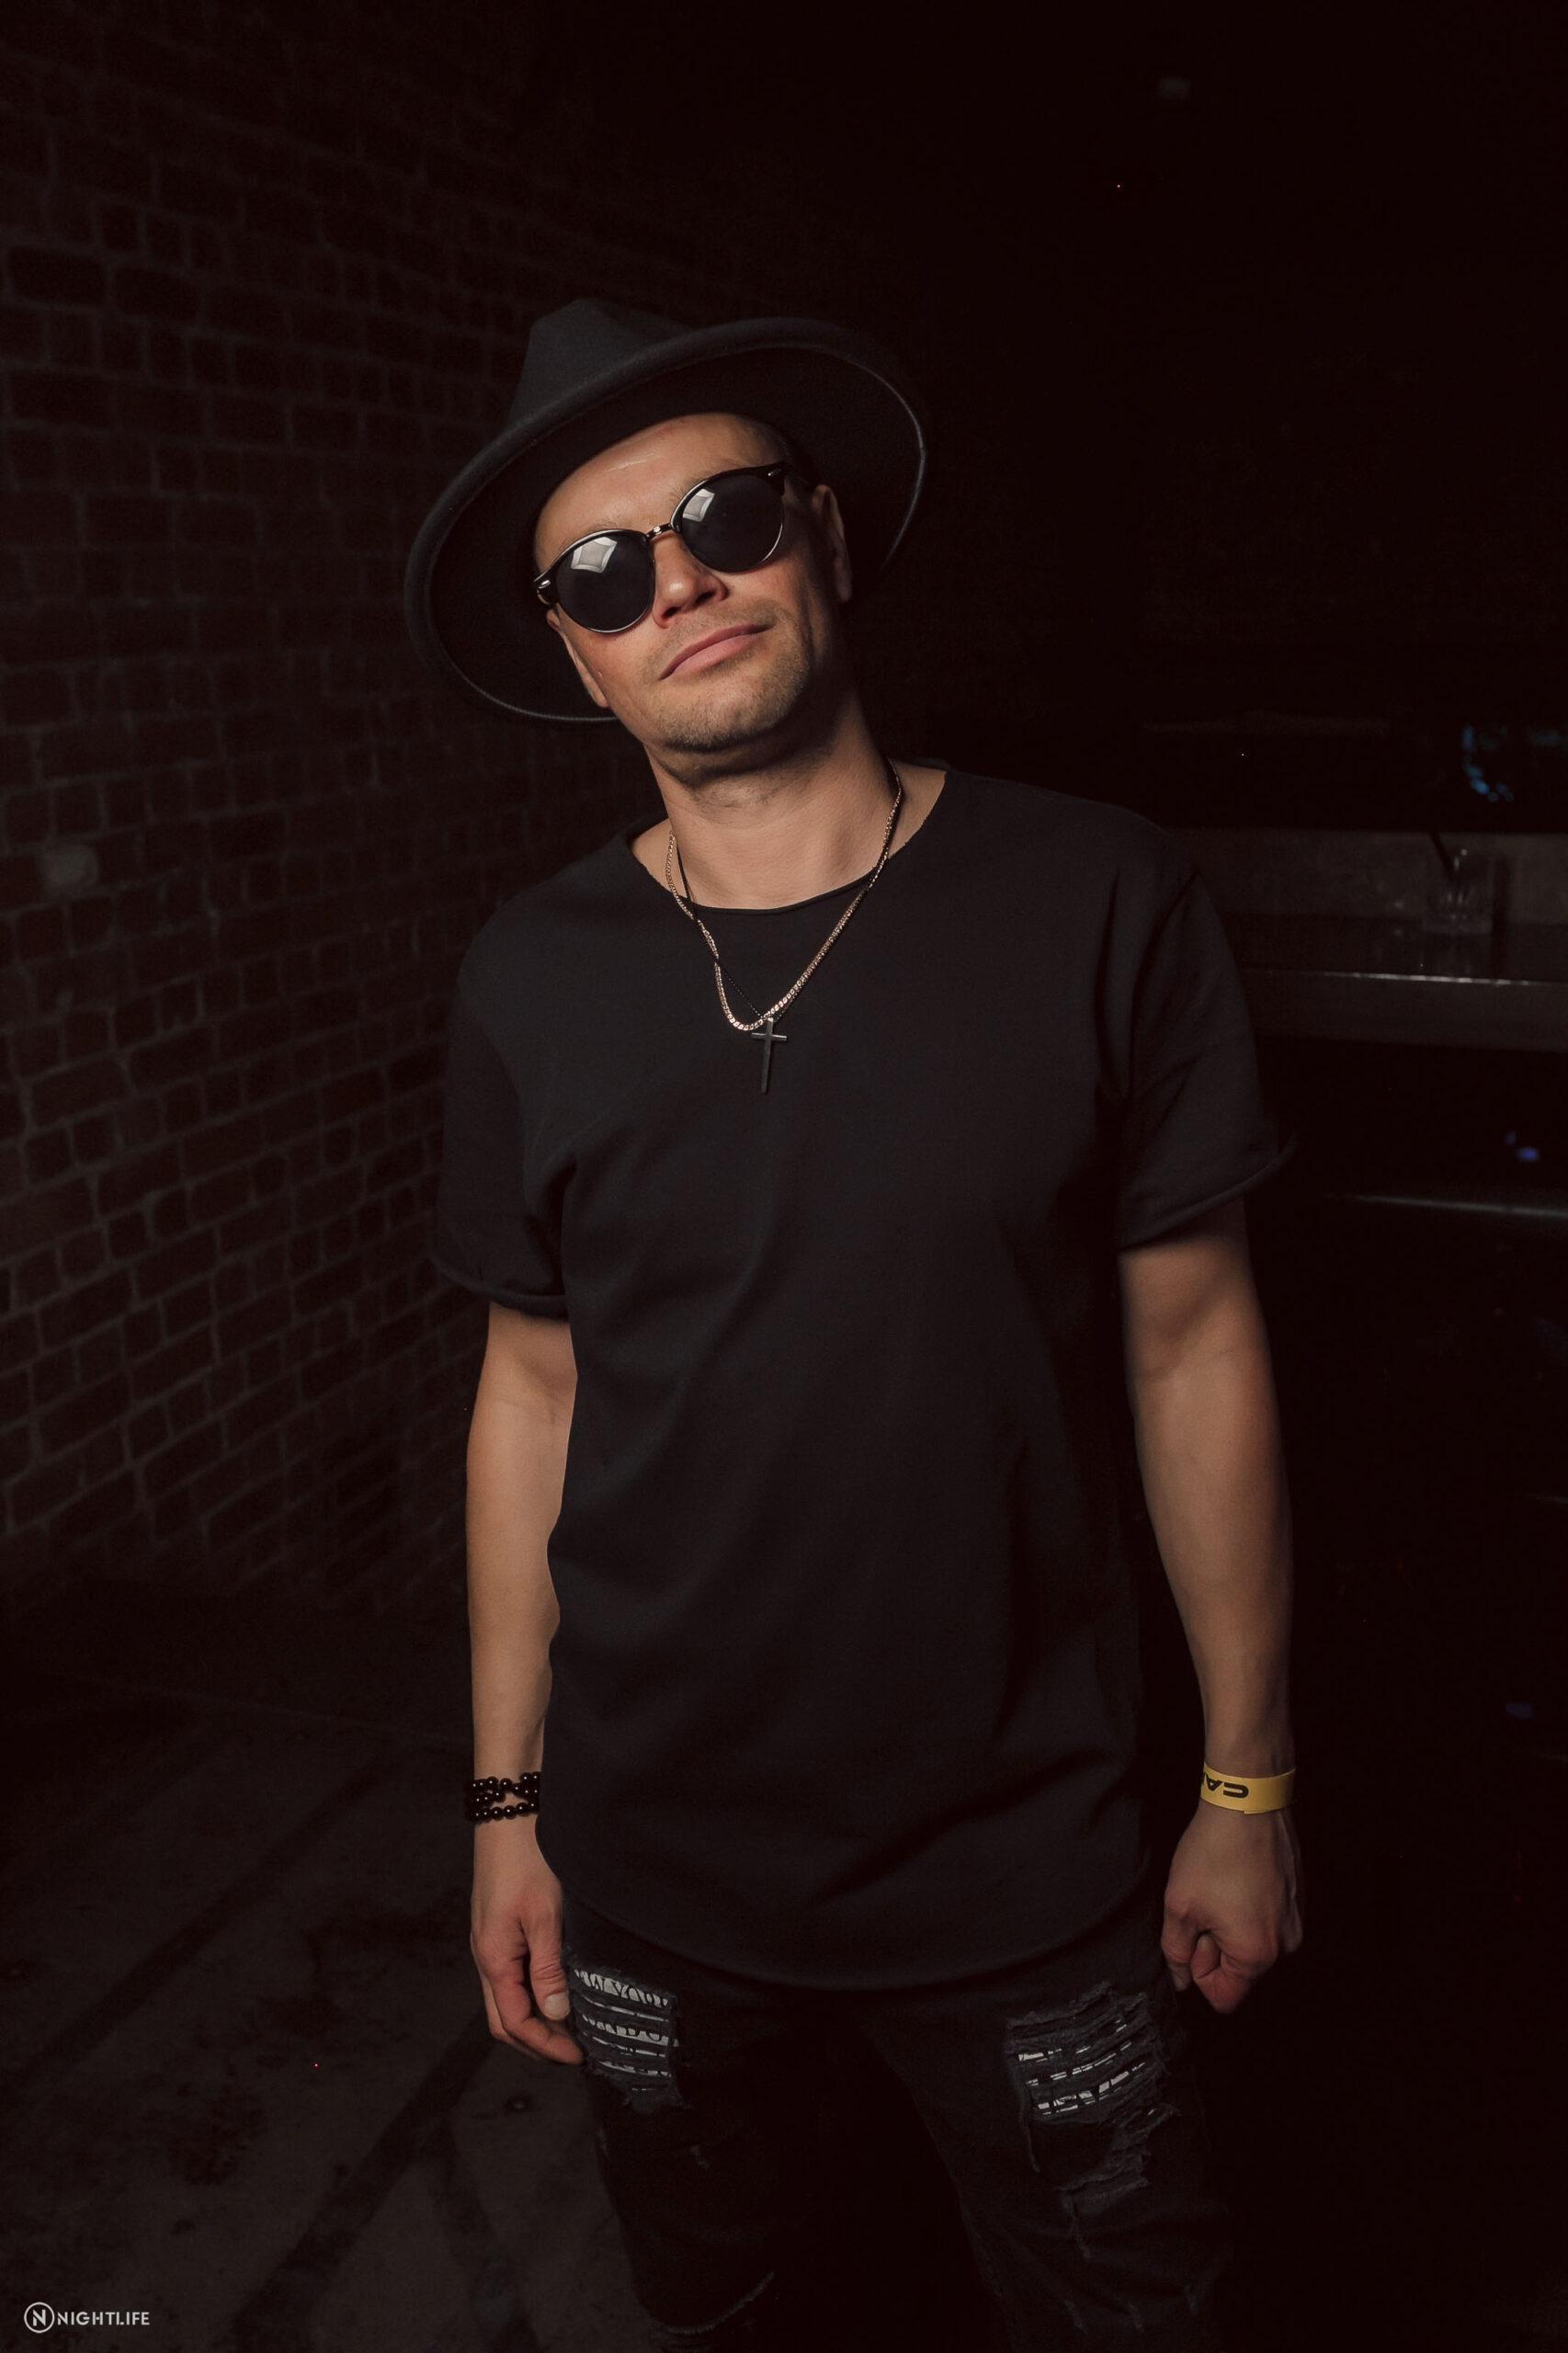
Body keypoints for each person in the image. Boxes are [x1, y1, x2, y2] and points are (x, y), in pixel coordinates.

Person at [405, 299, 1305, 2351]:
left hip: (1026, 1871)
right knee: (734, 2308)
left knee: (1130, 2313)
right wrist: (507, 1806)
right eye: (602, 571)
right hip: (652, 1874)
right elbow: (531, 1393)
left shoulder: (1098, 896)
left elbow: (1195, 1349)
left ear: (820, 531)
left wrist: (1246, 1785)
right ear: (575, 651)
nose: (676, 584)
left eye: (722, 516)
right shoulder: (529, 975)